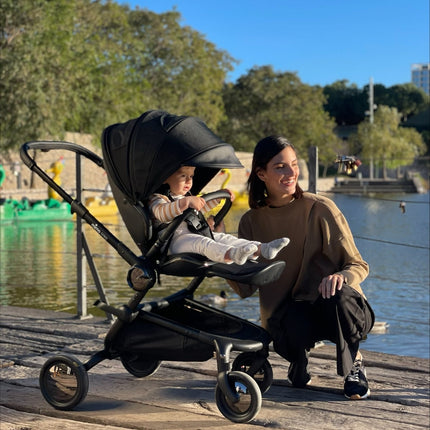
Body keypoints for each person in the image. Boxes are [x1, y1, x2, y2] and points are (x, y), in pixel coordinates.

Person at [227, 135, 375, 400]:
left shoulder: (321, 208)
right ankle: (298, 359)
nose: (291, 172)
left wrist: (341, 276)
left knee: (338, 295)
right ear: (261, 174)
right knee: (290, 321)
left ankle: (354, 365)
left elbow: (359, 265)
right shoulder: (250, 222)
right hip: (290, 316)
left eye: (293, 164)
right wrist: (220, 251)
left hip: (335, 307)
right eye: (280, 166)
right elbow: (244, 287)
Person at [148, 165, 290, 265]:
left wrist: (218, 198)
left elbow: (201, 208)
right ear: (165, 177)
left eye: (191, 176)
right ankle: (231, 254)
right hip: (173, 243)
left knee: (224, 237)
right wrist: (185, 203)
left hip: (195, 234)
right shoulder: (158, 199)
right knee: (204, 243)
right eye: (183, 176)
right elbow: (162, 214)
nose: (189, 181)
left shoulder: (187, 196)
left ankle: (261, 249)